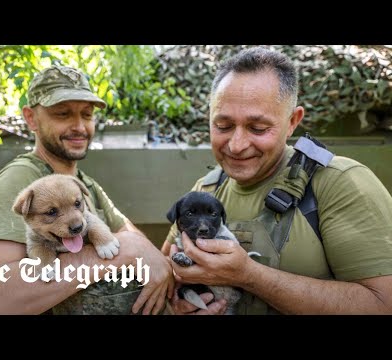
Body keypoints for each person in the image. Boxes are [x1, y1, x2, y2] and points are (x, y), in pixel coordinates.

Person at [161, 47, 392, 315]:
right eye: (223, 126)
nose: (236, 145)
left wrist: (249, 275)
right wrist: (178, 304)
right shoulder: (206, 190)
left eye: (258, 128)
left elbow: (384, 304)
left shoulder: (339, 184)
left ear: (292, 121)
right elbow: (165, 271)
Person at [0, 65, 173, 315]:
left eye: (87, 115)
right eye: (63, 114)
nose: (79, 126)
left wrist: (163, 283)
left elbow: (141, 247)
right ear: (31, 118)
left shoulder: (84, 184)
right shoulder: (22, 179)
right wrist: (126, 250)